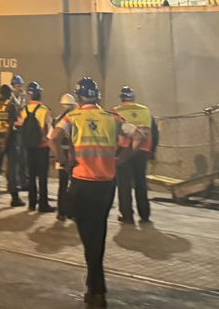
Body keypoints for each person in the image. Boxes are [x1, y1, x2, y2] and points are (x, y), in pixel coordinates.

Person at [52, 76, 130, 307]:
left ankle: (96, 285)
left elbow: (53, 138)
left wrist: (64, 162)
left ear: (78, 97)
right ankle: (94, 284)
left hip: (82, 182)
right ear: (97, 96)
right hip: (106, 184)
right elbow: (138, 136)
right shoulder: (112, 117)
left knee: (88, 235)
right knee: (99, 231)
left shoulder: (72, 116)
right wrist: (120, 161)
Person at [112, 85, 158, 224]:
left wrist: (114, 154)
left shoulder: (117, 112)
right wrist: (152, 151)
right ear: (133, 97)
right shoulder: (145, 111)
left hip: (125, 151)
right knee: (141, 183)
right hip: (143, 151)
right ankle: (144, 214)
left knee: (124, 184)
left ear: (121, 98)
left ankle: (127, 215)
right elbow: (155, 132)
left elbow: (113, 133)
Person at [18, 81, 56, 213]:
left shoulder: (24, 110)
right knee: (42, 177)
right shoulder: (45, 110)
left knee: (32, 175)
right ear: (39, 93)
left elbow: (20, 126)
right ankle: (43, 204)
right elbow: (50, 131)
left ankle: (32, 203)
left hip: (29, 147)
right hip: (42, 147)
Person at [0, 84, 23, 206]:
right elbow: (12, 123)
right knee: (12, 169)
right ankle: (14, 197)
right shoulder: (11, 105)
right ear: (9, 93)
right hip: (10, 141)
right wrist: (5, 140)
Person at [51, 92, 77, 221]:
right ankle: (72, 211)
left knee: (62, 184)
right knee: (73, 184)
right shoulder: (73, 118)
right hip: (72, 156)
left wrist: (59, 158)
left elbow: (52, 138)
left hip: (61, 155)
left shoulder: (57, 119)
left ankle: (61, 211)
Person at [9, 74, 30, 187]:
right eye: (18, 85)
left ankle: (23, 180)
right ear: (13, 86)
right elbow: (17, 112)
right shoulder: (11, 99)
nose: (20, 88)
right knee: (16, 158)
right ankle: (15, 181)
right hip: (14, 131)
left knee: (23, 156)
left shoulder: (22, 98)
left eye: (21, 85)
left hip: (22, 130)